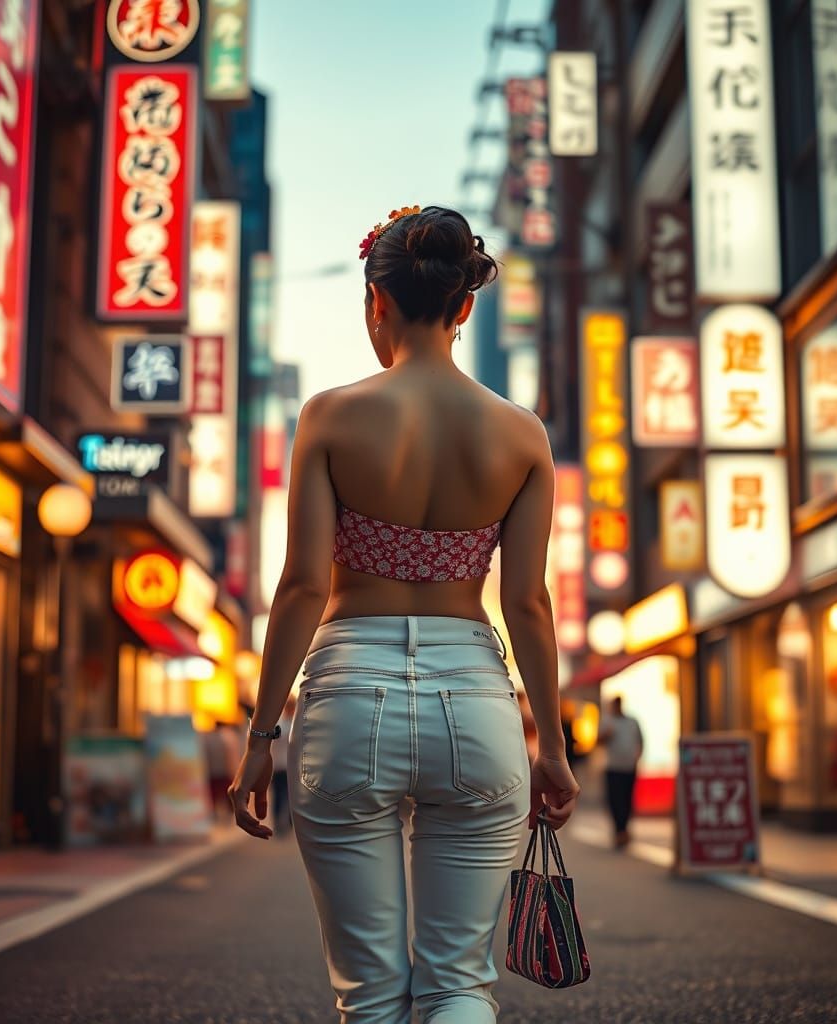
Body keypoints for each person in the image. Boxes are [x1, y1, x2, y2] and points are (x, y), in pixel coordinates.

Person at [227, 205, 580, 1024]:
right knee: (460, 982)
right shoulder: (522, 436)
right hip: (477, 704)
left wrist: (259, 739)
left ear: (374, 303)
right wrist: (551, 747)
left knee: (372, 992)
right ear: (464, 307)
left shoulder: (330, 416)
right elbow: (526, 602)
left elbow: (303, 588)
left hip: (349, 697)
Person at [598, 695, 643, 848]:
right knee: (614, 800)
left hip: (629, 766)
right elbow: (598, 741)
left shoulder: (632, 722)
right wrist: (607, 734)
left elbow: (640, 741)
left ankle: (624, 829)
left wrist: (637, 757)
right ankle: (619, 830)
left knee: (627, 799)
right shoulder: (607, 721)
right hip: (613, 767)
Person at [268, 696, 297, 836]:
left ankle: (285, 823)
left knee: (283, 796)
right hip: (285, 766)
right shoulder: (289, 725)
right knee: (287, 796)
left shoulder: (280, 725)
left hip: (280, 765)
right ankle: (285, 823)